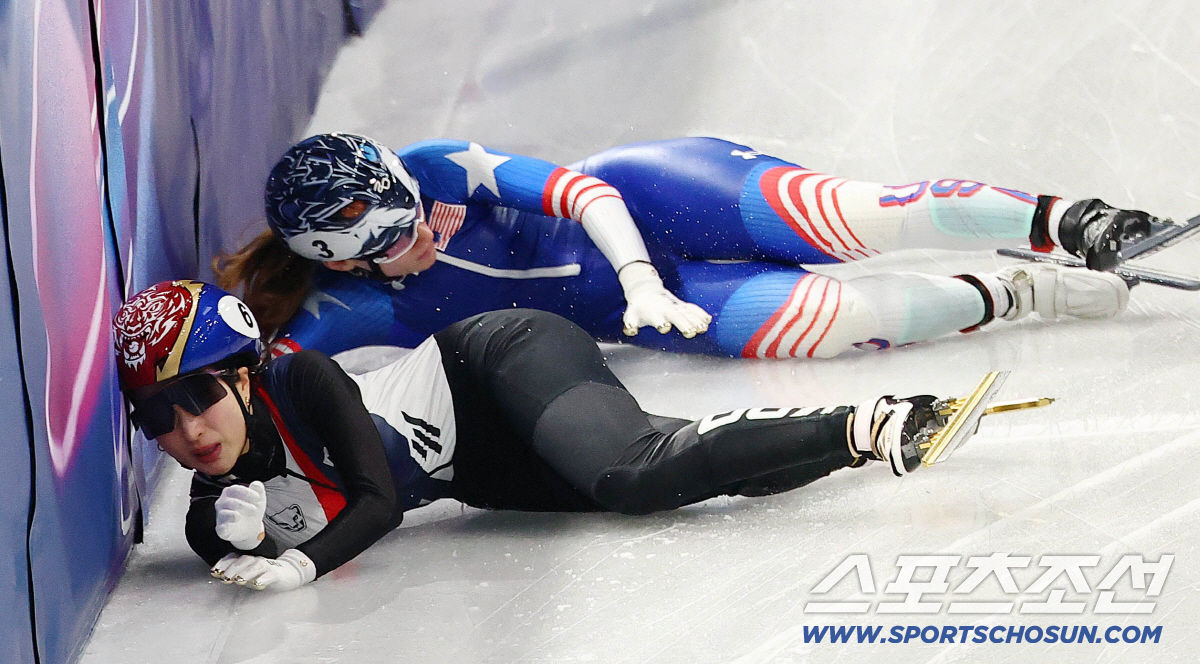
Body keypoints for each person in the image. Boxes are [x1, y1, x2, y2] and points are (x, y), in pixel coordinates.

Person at [115, 280, 975, 591]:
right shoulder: (212, 508)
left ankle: (872, 423)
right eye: (158, 416)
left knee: (633, 474)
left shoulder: (304, 379)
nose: (187, 429)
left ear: (242, 375)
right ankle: (866, 433)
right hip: (482, 469)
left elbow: (377, 502)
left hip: (496, 363)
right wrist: (246, 539)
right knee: (676, 477)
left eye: (198, 395)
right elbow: (215, 542)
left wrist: (296, 562)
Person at [216, 134, 1147, 361]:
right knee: (825, 322)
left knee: (852, 216)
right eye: (394, 240)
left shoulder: (435, 167)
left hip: (659, 201)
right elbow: (259, 377)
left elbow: (583, 193)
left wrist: (635, 277)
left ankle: (1067, 220)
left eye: (417, 211)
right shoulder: (348, 306)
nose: (423, 231)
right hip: (646, 310)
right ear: (340, 261)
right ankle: (1020, 293)